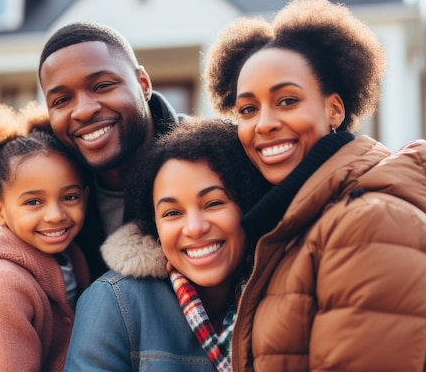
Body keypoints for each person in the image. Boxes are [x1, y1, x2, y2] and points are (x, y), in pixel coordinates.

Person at [204, 0, 426, 371]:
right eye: (247, 109)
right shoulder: (295, 227)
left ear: (334, 110)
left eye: (287, 100)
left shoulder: (370, 224)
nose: (264, 124)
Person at [0, 22, 185, 372]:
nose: (83, 110)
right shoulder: (56, 171)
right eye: (61, 100)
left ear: (143, 83)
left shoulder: (205, 160)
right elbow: (14, 261)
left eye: (103, 85)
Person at [63, 118, 271, 371]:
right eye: (172, 213)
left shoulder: (285, 291)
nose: (194, 227)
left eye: (214, 203)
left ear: (247, 206)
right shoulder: (113, 302)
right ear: (155, 227)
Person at [0, 102, 91, 372]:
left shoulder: (70, 258)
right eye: (34, 202)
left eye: (69, 197)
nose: (55, 215)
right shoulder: (0, 285)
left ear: (86, 197)